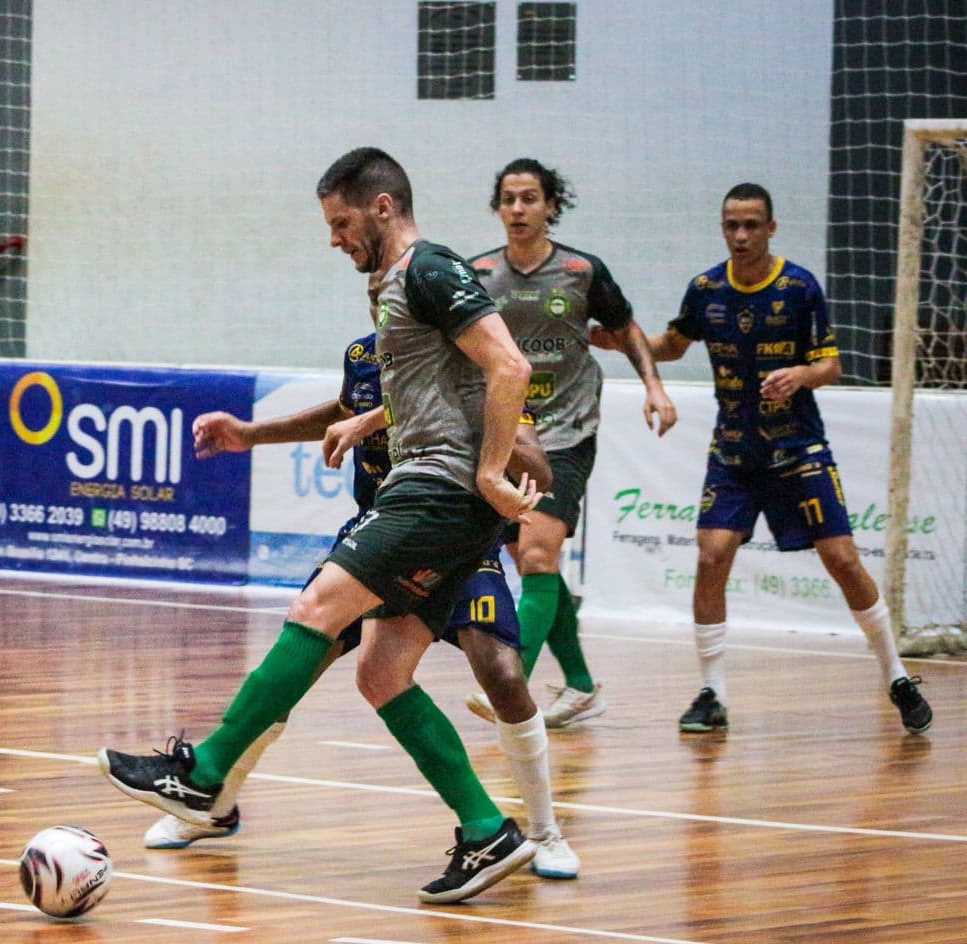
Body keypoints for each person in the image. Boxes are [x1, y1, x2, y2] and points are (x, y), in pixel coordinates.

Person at [99, 146, 545, 904]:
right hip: (435, 492)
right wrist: (345, 418)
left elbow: (510, 367)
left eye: (340, 222)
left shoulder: (429, 267)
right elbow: (440, 384)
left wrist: (490, 472)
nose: (333, 238)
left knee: (315, 610)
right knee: (379, 673)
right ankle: (486, 831)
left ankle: (203, 778)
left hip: (435, 493)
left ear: (381, 207)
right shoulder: (397, 287)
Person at [144, 322, 580, 879]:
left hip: (454, 539)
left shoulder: (469, 360)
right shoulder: (364, 354)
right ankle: (214, 803)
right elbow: (344, 410)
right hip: (375, 537)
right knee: (295, 663)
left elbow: (537, 467)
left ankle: (543, 830)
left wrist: (507, 462)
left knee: (502, 675)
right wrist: (250, 434)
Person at [640, 181, 932, 734]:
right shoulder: (705, 288)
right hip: (734, 452)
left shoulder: (800, 288)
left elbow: (832, 365)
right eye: (732, 225)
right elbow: (672, 344)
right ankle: (711, 692)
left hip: (797, 448)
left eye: (752, 225)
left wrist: (802, 373)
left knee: (842, 559)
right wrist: (615, 338)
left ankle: (895, 674)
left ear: (771, 228)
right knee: (711, 555)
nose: (741, 235)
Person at [465, 158, 678, 730]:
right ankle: (581, 685)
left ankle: (511, 688)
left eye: (530, 198)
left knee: (536, 554)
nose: (517, 209)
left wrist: (654, 387)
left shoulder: (582, 271)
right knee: (533, 562)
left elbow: (627, 327)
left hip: (567, 431)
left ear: (551, 207)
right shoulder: (477, 272)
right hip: (508, 435)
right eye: (508, 199)